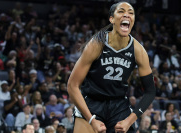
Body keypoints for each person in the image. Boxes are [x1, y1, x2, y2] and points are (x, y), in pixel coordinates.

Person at [67, 2, 156, 133]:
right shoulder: (96, 44)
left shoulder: (138, 50)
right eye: (121, 11)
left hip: (119, 105)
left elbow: (150, 91)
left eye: (131, 13)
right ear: (112, 19)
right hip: (92, 102)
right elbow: (72, 85)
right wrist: (91, 119)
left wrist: (129, 120)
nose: (126, 14)